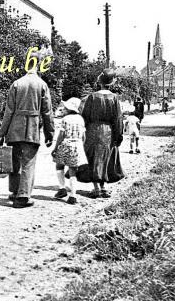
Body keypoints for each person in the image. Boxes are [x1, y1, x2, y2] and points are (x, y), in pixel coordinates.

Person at [0, 49, 54, 208]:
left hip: (14, 127)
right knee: (28, 162)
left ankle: (15, 192)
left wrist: (2, 133)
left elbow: (8, 111)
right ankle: (23, 196)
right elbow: (47, 111)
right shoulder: (42, 85)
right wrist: (49, 133)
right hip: (32, 127)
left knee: (15, 162)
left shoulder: (16, 83)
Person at [81, 68, 124, 198]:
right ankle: (103, 187)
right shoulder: (114, 98)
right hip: (108, 131)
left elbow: (85, 116)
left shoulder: (92, 97)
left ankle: (96, 188)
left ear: (100, 82)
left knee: (93, 158)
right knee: (106, 157)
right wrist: (118, 136)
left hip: (92, 129)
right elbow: (118, 119)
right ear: (111, 83)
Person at [52, 97, 87, 205]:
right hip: (77, 144)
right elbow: (84, 136)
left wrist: (55, 147)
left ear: (69, 109)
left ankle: (62, 188)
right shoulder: (81, 119)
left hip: (65, 143)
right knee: (73, 170)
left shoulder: (65, 119)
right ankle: (73, 195)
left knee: (59, 165)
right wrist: (81, 146)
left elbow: (61, 135)